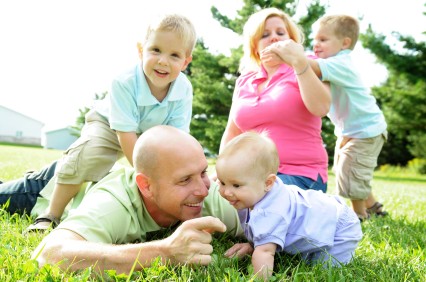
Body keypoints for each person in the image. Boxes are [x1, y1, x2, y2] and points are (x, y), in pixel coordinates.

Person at [27, 13, 197, 231]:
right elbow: (125, 135)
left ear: (185, 62)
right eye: (156, 50)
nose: (163, 60)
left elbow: (175, 138)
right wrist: (147, 178)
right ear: (140, 50)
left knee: (164, 168)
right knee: (88, 156)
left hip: (152, 134)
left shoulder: (183, 89)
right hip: (109, 126)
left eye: (174, 55)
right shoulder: (124, 82)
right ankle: (51, 215)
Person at [30, 125, 242, 274]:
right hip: (51, 183)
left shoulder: (211, 193)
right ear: (146, 186)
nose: (203, 191)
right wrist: (164, 252)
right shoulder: (113, 202)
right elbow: (49, 255)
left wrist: (259, 240)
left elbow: (270, 217)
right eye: (185, 180)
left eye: (203, 172)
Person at [216, 131, 362, 280]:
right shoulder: (257, 193)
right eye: (222, 182)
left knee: (323, 271)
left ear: (268, 183)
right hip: (323, 216)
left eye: (236, 185)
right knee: (299, 257)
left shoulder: (270, 212)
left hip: (339, 228)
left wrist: (258, 277)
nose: (226, 191)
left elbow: (265, 252)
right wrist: (254, 244)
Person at [219, 7, 331, 192]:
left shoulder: (308, 64)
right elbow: (232, 133)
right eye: (265, 35)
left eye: (281, 33)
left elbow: (321, 107)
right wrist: (223, 174)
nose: (274, 38)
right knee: (208, 196)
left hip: (301, 175)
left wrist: (298, 61)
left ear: (292, 41)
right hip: (251, 176)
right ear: (255, 46)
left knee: (262, 198)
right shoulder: (245, 80)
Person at [306, 15, 388, 220]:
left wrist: (292, 57)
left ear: (345, 43)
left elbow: (310, 68)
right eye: (314, 39)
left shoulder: (339, 63)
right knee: (351, 168)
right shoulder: (332, 62)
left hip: (366, 129)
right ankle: (373, 207)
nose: (316, 44)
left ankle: (358, 215)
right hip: (354, 130)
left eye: (323, 39)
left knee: (350, 169)